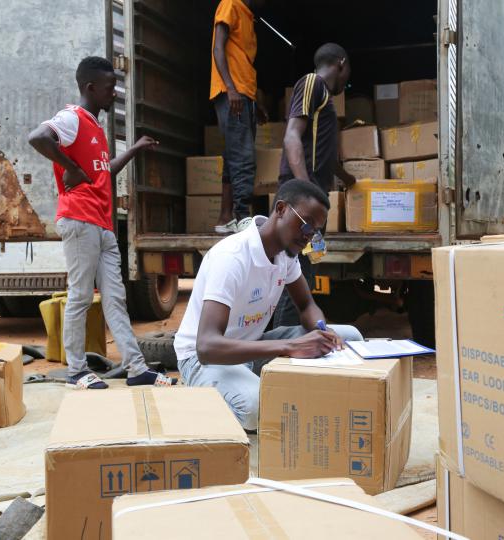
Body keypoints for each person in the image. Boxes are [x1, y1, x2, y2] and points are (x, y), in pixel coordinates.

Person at [28, 56, 174, 390]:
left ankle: (136, 368)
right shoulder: (72, 118)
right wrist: (70, 167)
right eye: (110, 89)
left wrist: (134, 149)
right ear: (91, 88)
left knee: (115, 298)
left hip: (102, 223)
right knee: (80, 296)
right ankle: (76, 371)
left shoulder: (95, 127)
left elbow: (102, 174)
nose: (114, 95)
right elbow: (37, 137)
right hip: (79, 220)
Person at [174, 179, 364, 429]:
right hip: (204, 360)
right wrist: (290, 346)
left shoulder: (286, 255)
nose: (309, 237)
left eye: (316, 231)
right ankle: (204, 399)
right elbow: (207, 346)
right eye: (306, 225)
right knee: (255, 406)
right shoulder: (232, 258)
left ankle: (251, 382)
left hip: (250, 347)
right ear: (282, 209)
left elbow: (307, 305)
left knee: (351, 338)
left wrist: (322, 330)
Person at [273, 42, 356, 327]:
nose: (346, 81)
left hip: (309, 203)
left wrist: (349, 180)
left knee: (299, 277)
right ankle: (279, 356)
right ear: (341, 63)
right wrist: (305, 195)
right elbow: (292, 137)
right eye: (348, 74)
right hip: (301, 201)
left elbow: (326, 157)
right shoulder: (313, 83)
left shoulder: (325, 103)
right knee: (294, 282)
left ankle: (284, 352)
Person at [209, 0, 268, 234]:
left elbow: (242, 61)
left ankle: (225, 217)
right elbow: (218, 48)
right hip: (232, 92)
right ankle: (243, 216)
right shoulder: (230, 4)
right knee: (243, 157)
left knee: (234, 154)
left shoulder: (249, 16)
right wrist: (231, 89)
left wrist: (256, 102)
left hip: (245, 94)